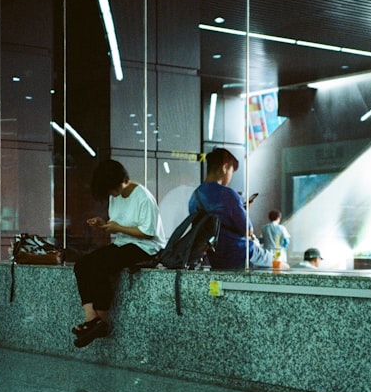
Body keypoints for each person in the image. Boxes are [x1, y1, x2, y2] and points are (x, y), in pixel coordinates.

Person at [72, 159, 166, 347]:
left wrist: (118, 228)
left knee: (101, 266)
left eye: (112, 190)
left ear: (122, 180)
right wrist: (104, 224)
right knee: (81, 265)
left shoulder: (143, 197)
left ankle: (102, 322)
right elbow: (117, 225)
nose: (112, 195)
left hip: (146, 248)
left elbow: (147, 233)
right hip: (124, 243)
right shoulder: (115, 196)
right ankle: (92, 318)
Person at [189, 148, 277, 270]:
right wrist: (243, 210)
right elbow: (248, 230)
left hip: (215, 258)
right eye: (231, 171)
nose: (230, 176)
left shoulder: (195, 197)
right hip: (242, 253)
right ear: (225, 167)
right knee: (280, 264)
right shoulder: (228, 195)